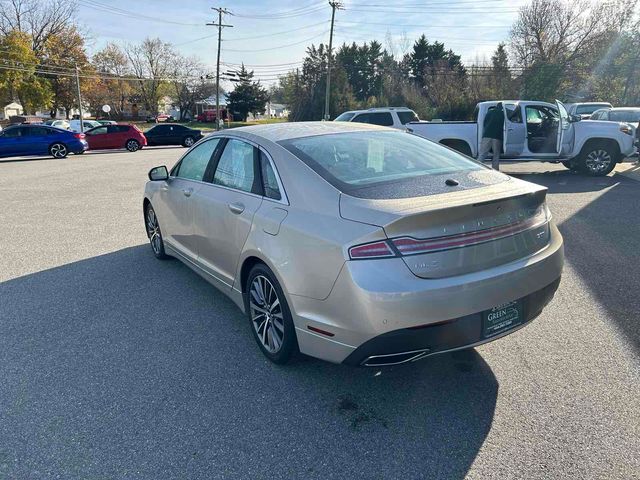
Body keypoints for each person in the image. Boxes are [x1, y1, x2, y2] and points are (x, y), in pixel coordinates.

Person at [478, 102, 505, 170]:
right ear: (502, 108)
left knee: (482, 154)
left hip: (487, 135)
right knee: (496, 155)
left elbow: (485, 122)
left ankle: (477, 168)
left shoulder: (490, 112)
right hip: (497, 136)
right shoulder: (503, 114)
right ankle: (495, 170)